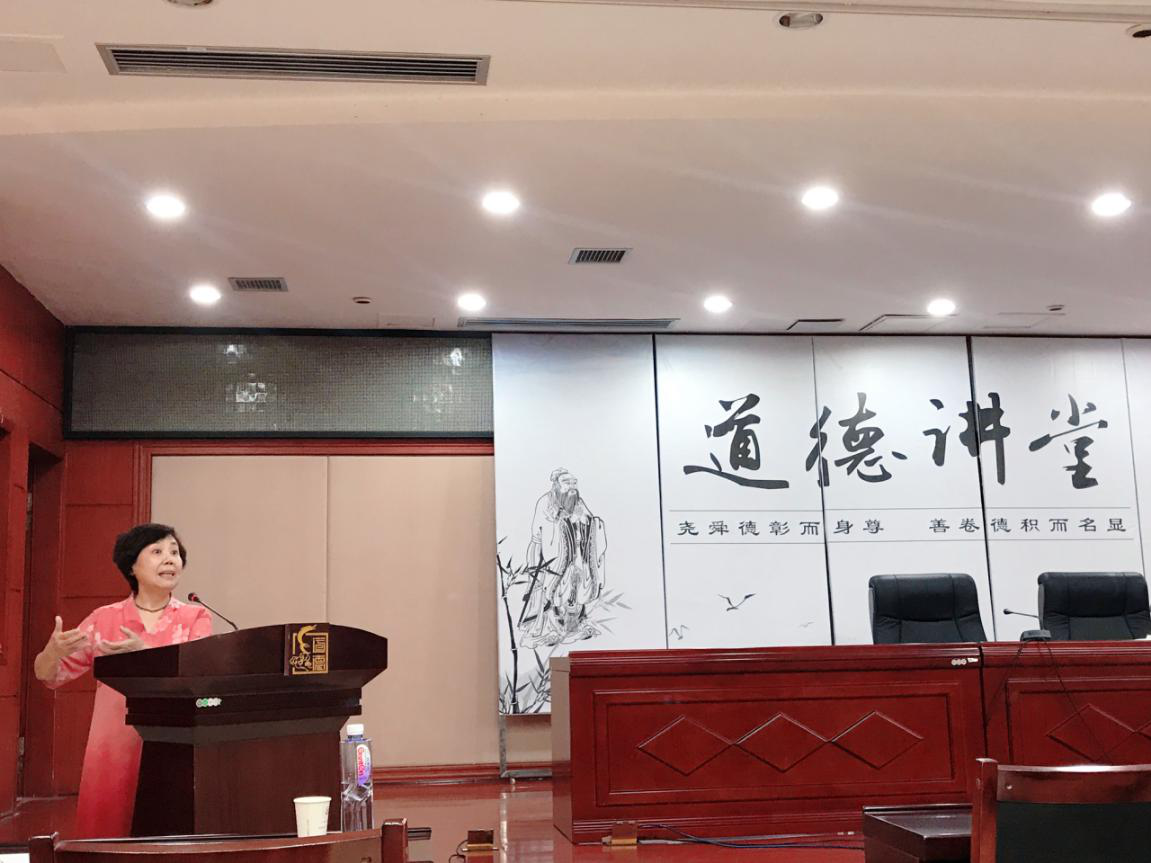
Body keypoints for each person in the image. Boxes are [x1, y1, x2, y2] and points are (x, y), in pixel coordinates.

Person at [33, 523, 213, 838]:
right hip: (113, 749)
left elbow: (200, 680)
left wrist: (146, 654)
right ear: (132, 566)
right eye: (157, 551)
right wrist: (51, 652)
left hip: (174, 744)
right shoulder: (104, 619)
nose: (169, 559)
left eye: (174, 552)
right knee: (107, 837)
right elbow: (48, 675)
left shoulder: (195, 618)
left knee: (169, 834)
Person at [518, 468, 607, 648]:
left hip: (576, 555)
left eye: (574, 483)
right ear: (556, 485)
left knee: (576, 588)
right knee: (550, 590)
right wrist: (563, 523)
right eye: (567, 483)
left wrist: (584, 522)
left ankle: (573, 625)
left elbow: (589, 521)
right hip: (550, 555)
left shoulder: (578, 501)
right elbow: (540, 533)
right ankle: (549, 628)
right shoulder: (546, 502)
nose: (572, 486)